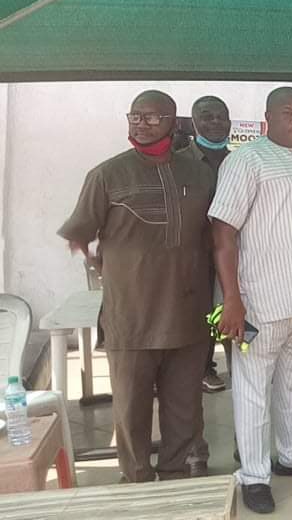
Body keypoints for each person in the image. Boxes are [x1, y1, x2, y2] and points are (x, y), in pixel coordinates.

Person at [58, 90, 215, 483]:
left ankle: (175, 475)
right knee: (131, 409)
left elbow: (217, 235)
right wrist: (101, 266)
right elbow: (78, 236)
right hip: (131, 317)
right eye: (135, 116)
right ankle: (137, 479)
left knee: (184, 409)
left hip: (188, 314)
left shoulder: (200, 175)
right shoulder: (107, 175)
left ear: (173, 122)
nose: (141, 124)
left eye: (152, 117)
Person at [210, 87, 292, 515]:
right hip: (261, 303)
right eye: (288, 112)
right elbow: (223, 234)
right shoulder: (245, 160)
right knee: (253, 391)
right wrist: (232, 300)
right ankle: (253, 475)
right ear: (267, 118)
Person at [178, 95, 233, 477]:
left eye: (221, 116)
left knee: (243, 362)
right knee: (190, 369)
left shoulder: (240, 162)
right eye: (206, 116)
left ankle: (250, 449)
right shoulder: (178, 162)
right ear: (193, 122)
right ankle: (194, 453)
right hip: (193, 278)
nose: (215, 122)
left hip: (234, 277)